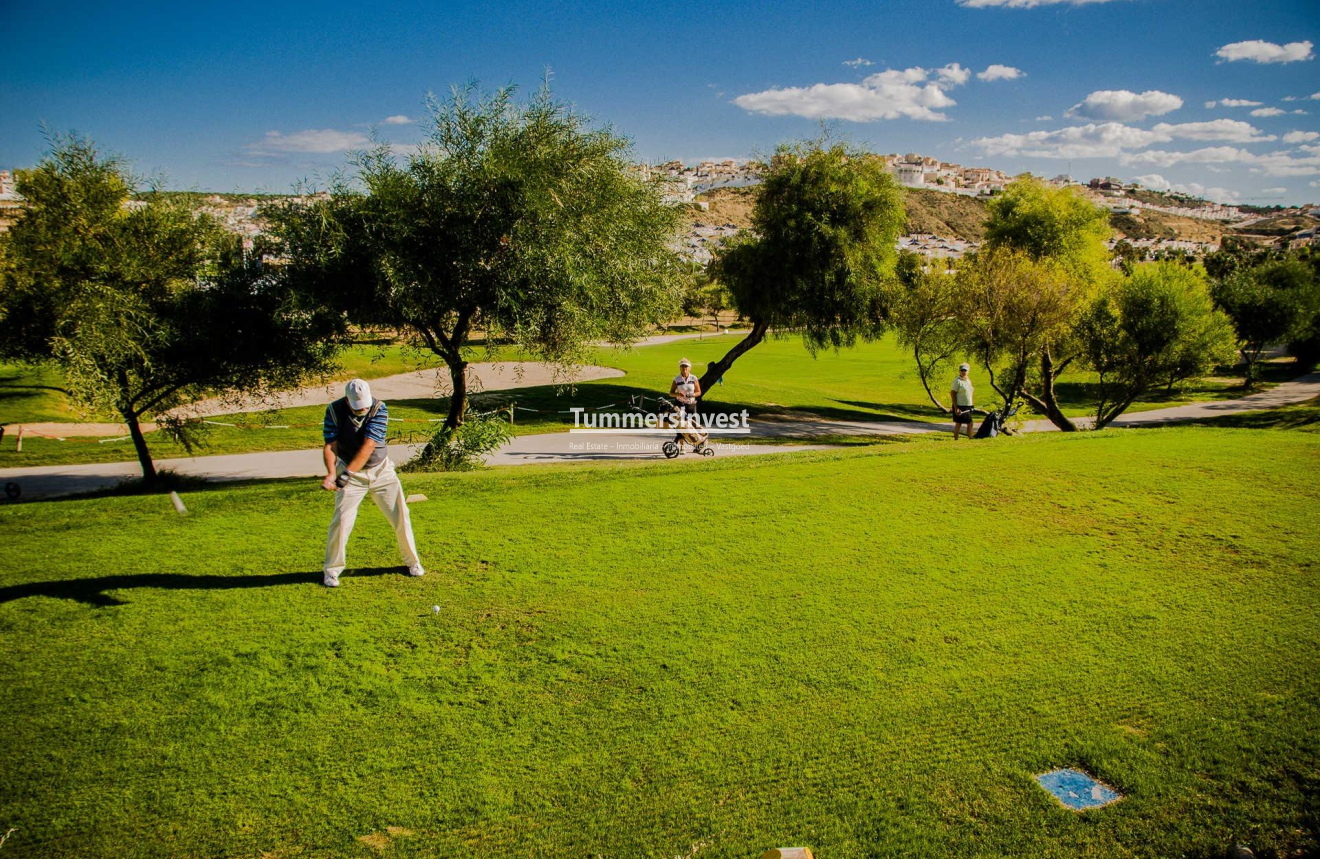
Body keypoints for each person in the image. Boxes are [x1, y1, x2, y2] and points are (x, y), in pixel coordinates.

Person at [320, 379, 424, 587]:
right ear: (348, 400)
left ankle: (413, 562)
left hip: (381, 472)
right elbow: (330, 445)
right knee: (340, 521)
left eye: (365, 404)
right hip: (350, 473)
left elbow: (368, 446)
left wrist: (346, 473)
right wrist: (331, 473)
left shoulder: (379, 408)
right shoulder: (333, 410)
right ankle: (331, 570)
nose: (364, 409)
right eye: (358, 406)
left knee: (401, 516)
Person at [950, 363, 976, 440]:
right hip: (960, 405)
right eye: (962, 370)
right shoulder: (957, 381)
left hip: (968, 405)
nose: (963, 372)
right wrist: (956, 407)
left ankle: (969, 438)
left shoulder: (968, 380)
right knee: (962, 423)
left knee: (967, 423)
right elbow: (953, 393)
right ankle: (958, 439)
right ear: (959, 371)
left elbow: (969, 393)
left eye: (965, 370)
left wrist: (972, 405)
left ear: (968, 371)